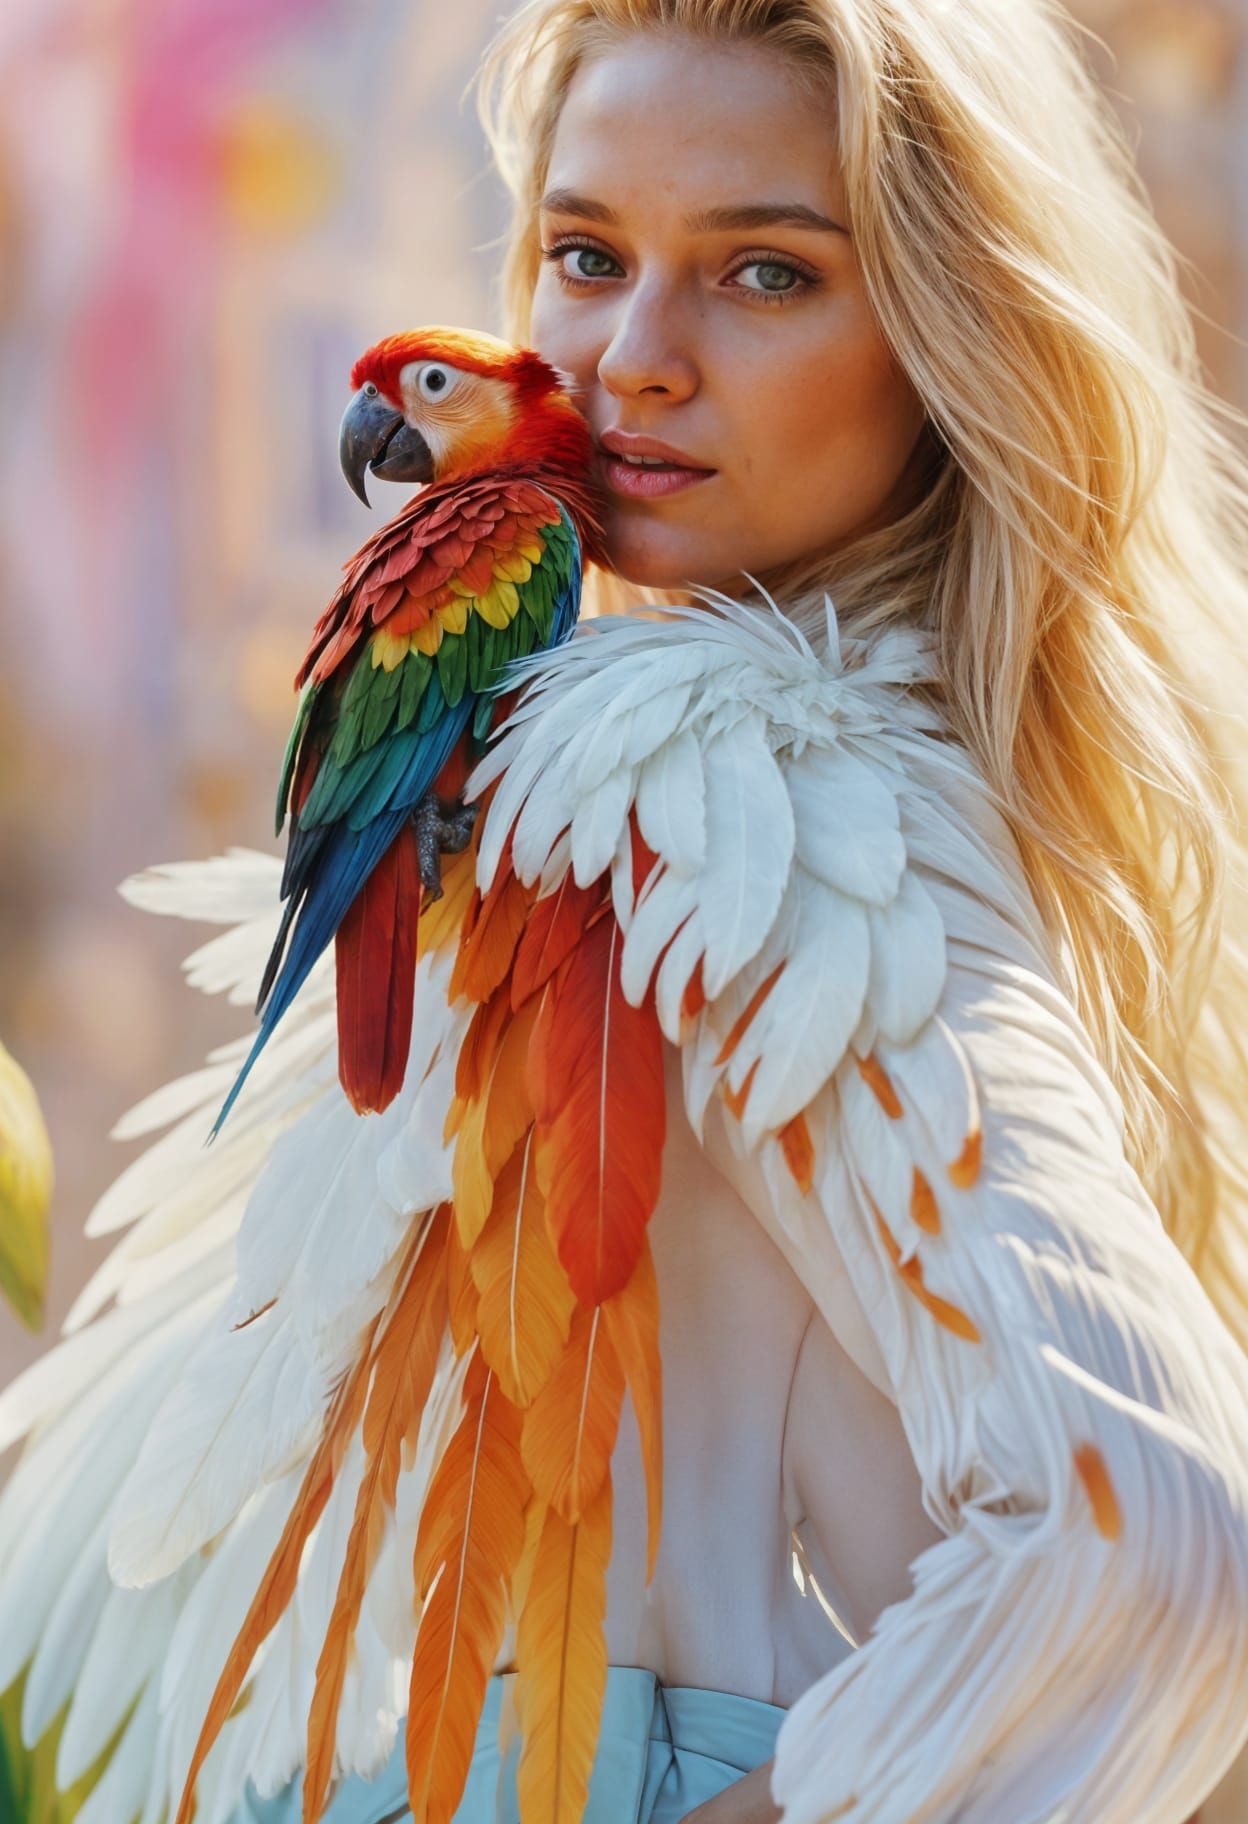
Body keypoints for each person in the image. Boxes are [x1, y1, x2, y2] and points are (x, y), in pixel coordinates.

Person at [2, 2, 1248, 1823]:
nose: (632, 360)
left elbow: (1151, 1547)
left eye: (766, 272)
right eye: (586, 256)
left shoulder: (757, 801)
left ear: (948, 336)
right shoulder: (645, 772)